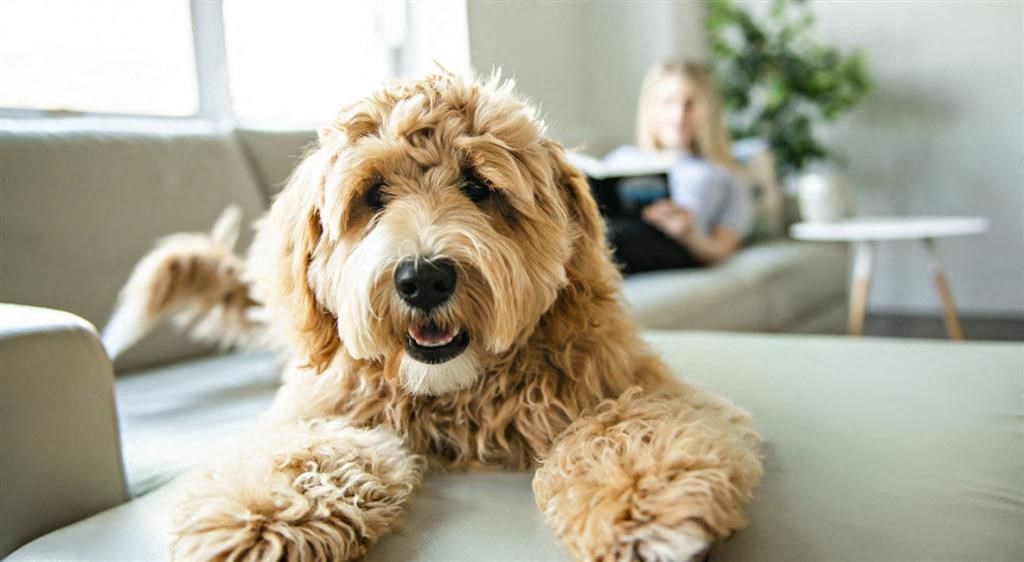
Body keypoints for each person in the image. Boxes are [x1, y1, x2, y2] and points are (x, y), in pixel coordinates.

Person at [604, 60, 752, 273]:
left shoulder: (723, 173)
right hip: (605, 230)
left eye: (690, 104)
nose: (679, 115)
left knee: (608, 238)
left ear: (708, 111)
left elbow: (722, 248)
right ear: (650, 109)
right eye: (668, 102)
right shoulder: (621, 158)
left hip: (671, 244)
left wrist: (687, 233)